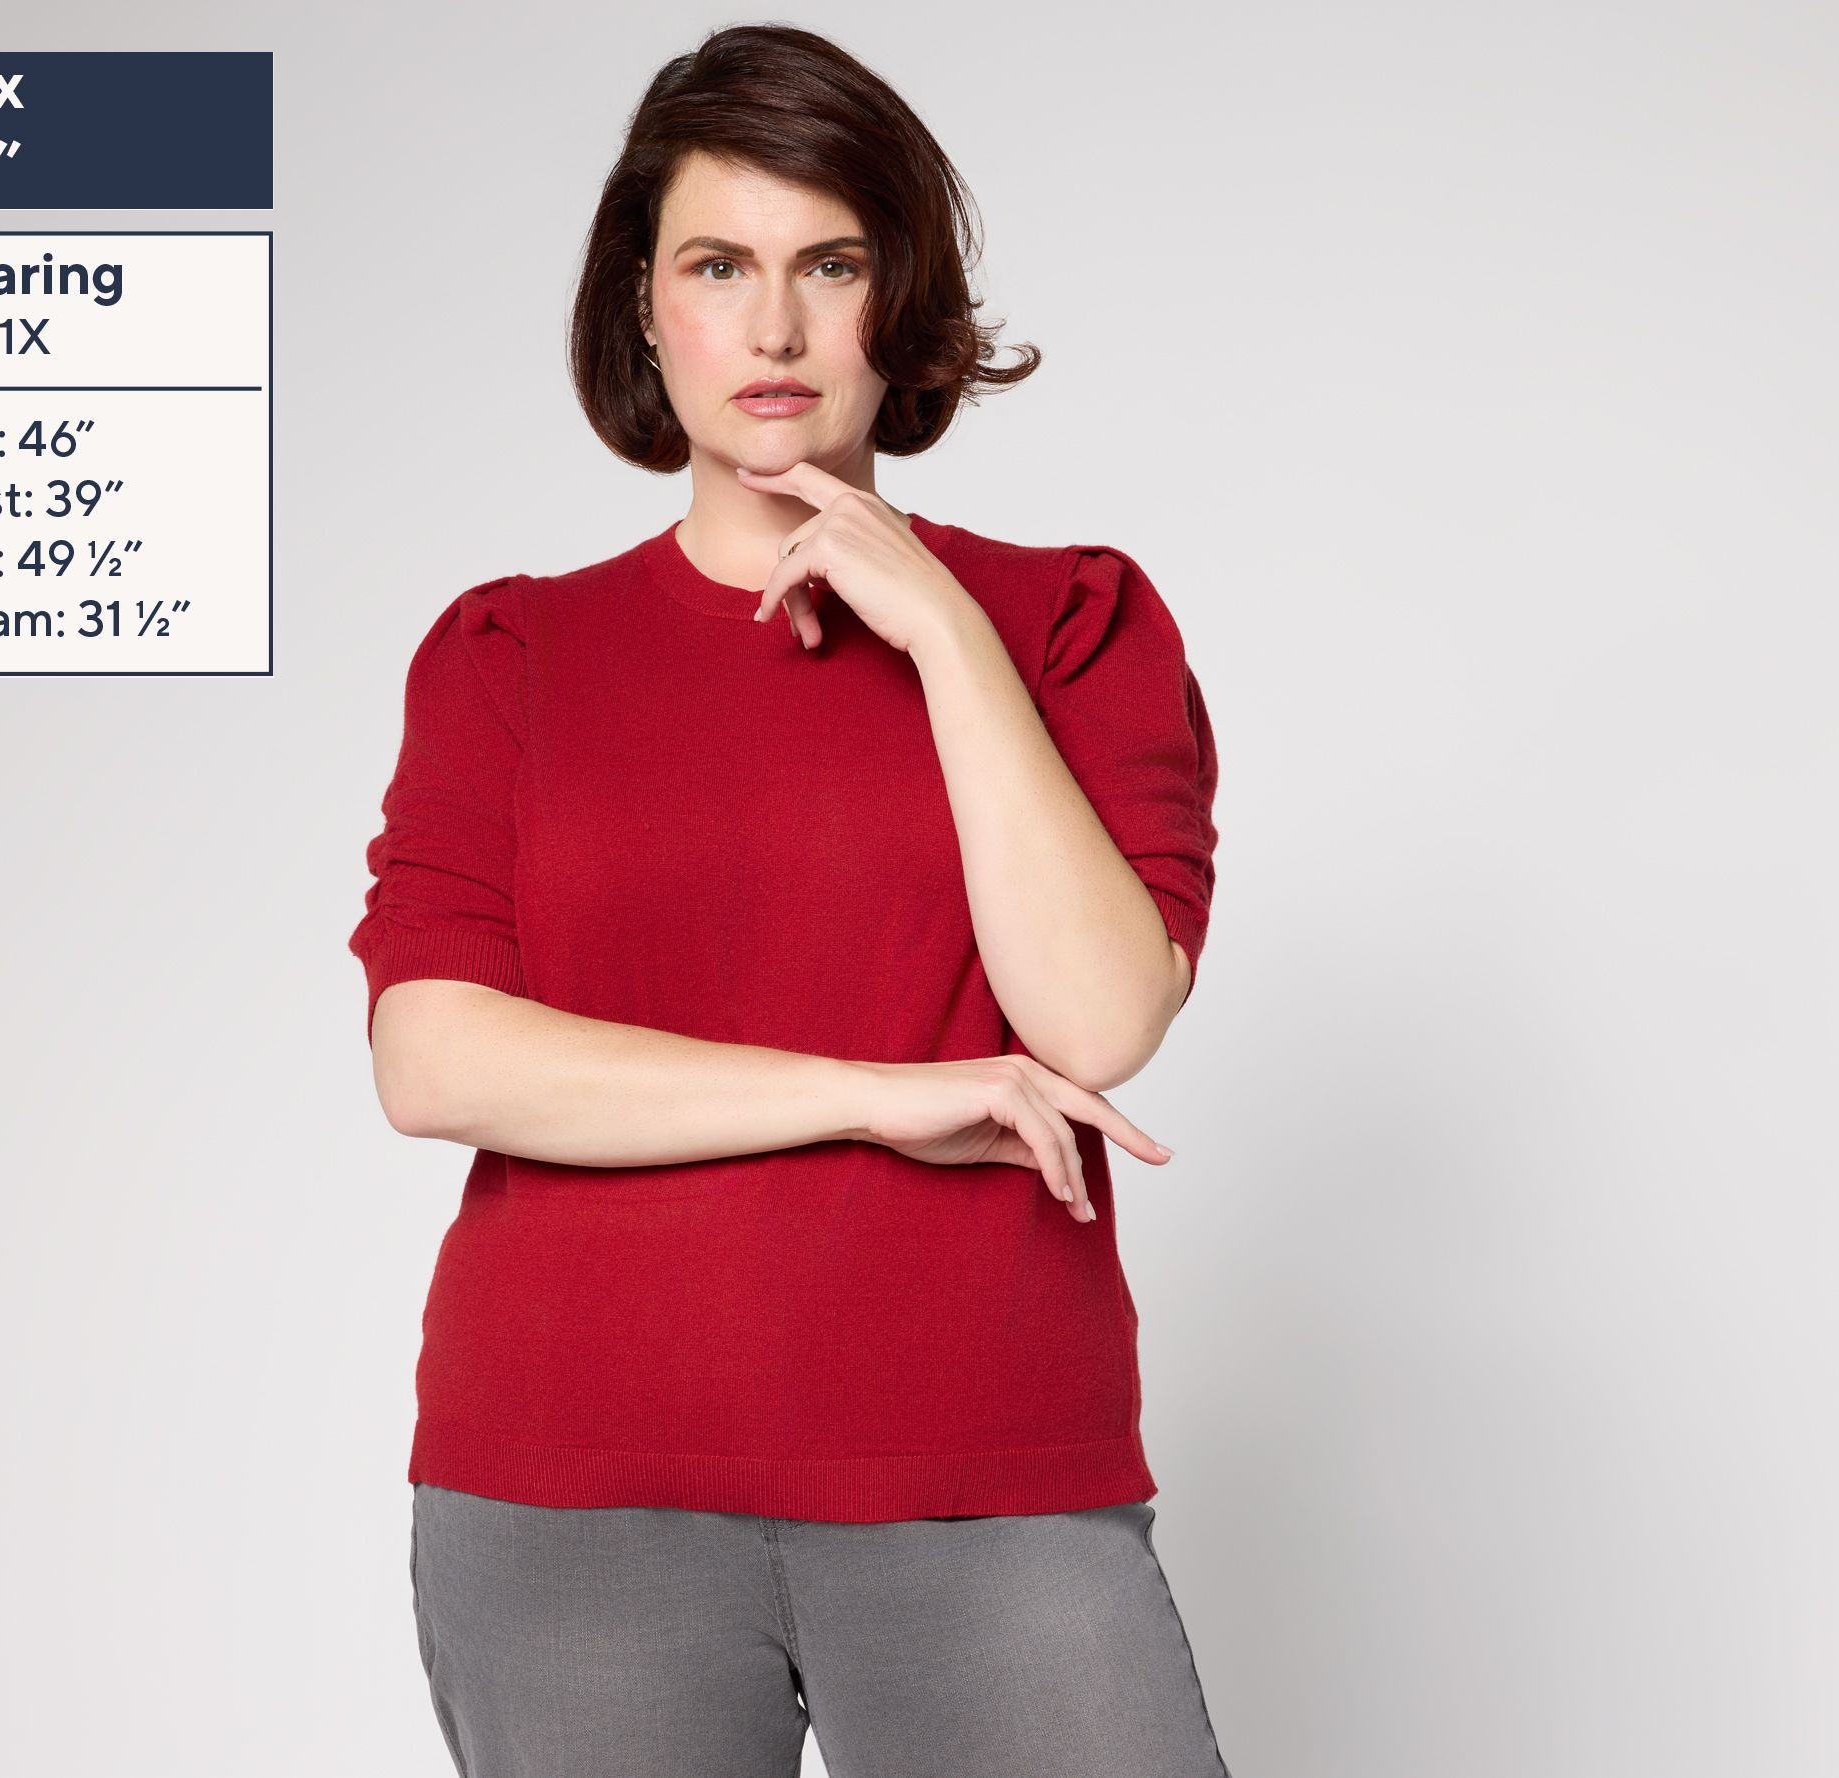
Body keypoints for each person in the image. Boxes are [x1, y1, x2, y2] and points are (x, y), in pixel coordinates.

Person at [350, 23, 1229, 1778]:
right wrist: (869, 1095)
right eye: (717, 266)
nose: (773, 329)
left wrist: (947, 634)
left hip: (984, 1466)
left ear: (902, 300)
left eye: (830, 265)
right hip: (570, 1490)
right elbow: (435, 1058)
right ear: (644, 305)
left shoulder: (1070, 624)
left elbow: (1094, 1016)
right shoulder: (512, 654)